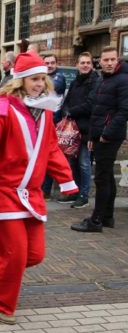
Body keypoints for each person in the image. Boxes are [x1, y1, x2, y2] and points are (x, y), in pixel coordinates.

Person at [0, 52, 78, 325]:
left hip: (31, 194)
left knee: (34, 255)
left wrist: (66, 179)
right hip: (1, 192)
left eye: (42, 79)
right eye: (34, 79)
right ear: (20, 80)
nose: (39, 84)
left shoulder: (45, 111)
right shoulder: (1, 108)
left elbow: (49, 147)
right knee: (14, 255)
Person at [71, 47, 128, 232]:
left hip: (110, 136)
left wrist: (105, 133)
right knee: (108, 176)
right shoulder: (102, 79)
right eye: (106, 60)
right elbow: (95, 108)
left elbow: (123, 111)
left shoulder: (122, 80)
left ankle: (96, 220)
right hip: (99, 136)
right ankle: (107, 217)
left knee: (102, 178)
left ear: (117, 60)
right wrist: (92, 136)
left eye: (113, 59)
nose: (110, 63)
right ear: (100, 62)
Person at [57, 52, 99, 208]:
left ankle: (84, 194)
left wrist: (71, 111)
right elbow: (66, 102)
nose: (85, 65)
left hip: (87, 129)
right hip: (73, 130)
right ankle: (74, 192)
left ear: (92, 65)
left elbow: (90, 104)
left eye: (88, 62)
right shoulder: (75, 82)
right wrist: (66, 111)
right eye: (82, 62)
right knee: (72, 163)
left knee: (84, 163)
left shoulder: (95, 82)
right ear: (77, 65)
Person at [41, 53, 67, 199]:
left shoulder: (59, 77)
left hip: (55, 123)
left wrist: (36, 83)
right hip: (43, 122)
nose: (49, 65)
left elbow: (52, 87)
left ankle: (46, 190)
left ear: (56, 64)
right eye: (47, 63)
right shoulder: (43, 77)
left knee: (49, 157)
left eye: (52, 62)